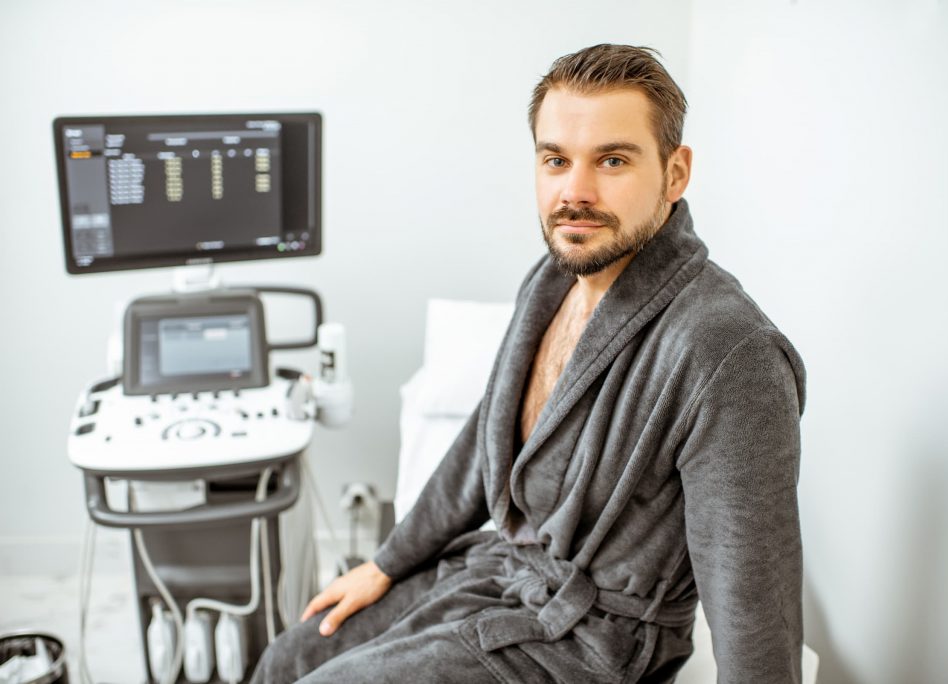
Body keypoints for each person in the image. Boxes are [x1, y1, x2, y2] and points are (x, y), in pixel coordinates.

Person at [252, 43, 807, 683]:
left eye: (613, 160)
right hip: (505, 573)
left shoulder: (726, 352)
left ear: (675, 173)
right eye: (556, 160)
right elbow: (485, 442)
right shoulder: (552, 281)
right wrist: (386, 563)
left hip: (593, 642)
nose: (576, 192)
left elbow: (751, 589)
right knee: (292, 655)